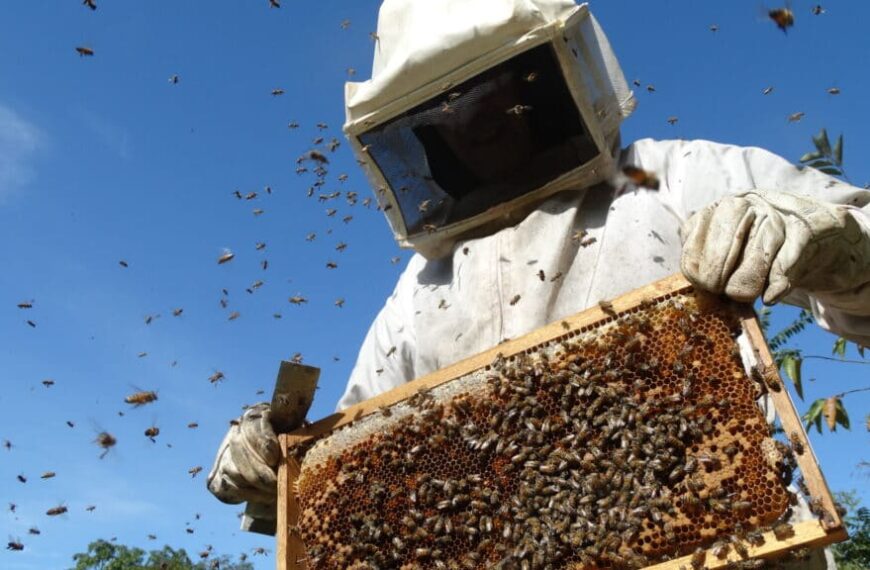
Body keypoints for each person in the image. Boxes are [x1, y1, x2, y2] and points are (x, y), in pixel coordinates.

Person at [209, 1, 870, 566]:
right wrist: (271, 464)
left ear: (546, 75)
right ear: (422, 131)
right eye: (445, 109)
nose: (477, 121)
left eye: (490, 87)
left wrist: (836, 245)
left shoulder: (672, 178)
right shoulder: (422, 290)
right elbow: (352, 471)